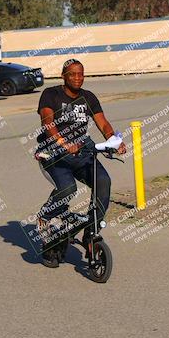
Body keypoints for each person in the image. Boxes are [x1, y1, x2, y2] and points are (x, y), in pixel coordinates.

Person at [35, 59, 126, 267]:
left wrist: (114, 140)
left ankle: (91, 232)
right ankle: (46, 216)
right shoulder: (51, 94)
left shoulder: (88, 97)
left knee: (103, 181)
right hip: (54, 153)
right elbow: (47, 121)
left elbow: (102, 122)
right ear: (63, 75)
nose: (77, 78)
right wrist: (63, 142)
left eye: (81, 74)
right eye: (73, 74)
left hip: (82, 151)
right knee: (68, 188)